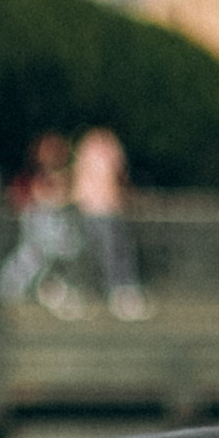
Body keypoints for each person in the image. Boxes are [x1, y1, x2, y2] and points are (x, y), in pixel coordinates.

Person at [0, 132, 81, 313]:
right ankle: (7, 289)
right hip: (37, 220)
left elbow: (66, 197)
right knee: (32, 256)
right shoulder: (34, 175)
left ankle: (45, 288)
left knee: (62, 251)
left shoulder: (62, 174)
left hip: (53, 223)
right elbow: (29, 198)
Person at [70, 127, 147, 320]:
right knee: (107, 252)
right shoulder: (95, 146)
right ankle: (113, 292)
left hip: (106, 208)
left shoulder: (100, 145)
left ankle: (118, 292)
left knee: (115, 251)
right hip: (96, 208)